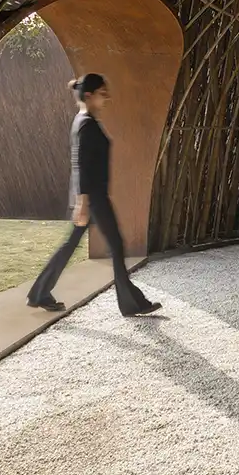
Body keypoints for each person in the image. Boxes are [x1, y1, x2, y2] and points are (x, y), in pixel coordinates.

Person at [27, 72, 162, 317]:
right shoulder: (86, 124)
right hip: (94, 199)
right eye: (102, 93)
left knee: (71, 246)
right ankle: (132, 304)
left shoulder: (85, 120)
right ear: (88, 96)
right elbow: (81, 164)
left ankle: (39, 294)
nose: (107, 97)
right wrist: (83, 202)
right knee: (116, 246)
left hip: (92, 198)